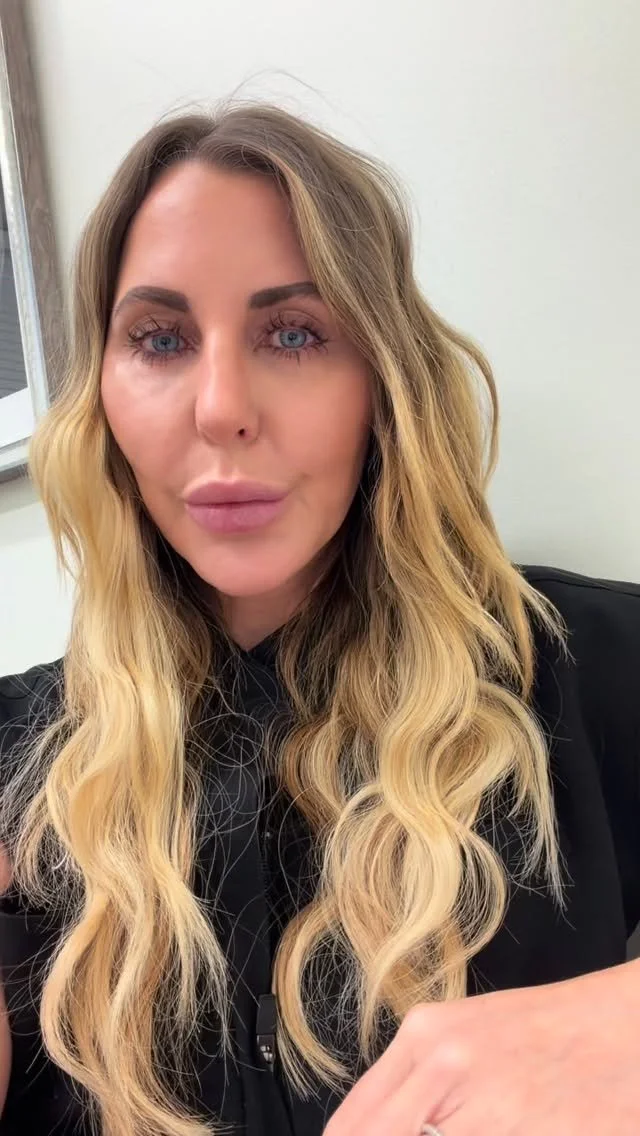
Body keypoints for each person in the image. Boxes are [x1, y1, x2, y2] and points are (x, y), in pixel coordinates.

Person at [0, 100, 639, 1136]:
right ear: (101, 399)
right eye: (159, 338)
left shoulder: (585, 668)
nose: (221, 407)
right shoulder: (19, 762)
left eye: (294, 333)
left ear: (383, 380)